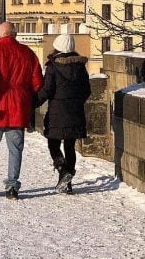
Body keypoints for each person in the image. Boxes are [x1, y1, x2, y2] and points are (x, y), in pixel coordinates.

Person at [0, 21, 43, 200]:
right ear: (15, 34)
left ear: (0, 34)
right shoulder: (27, 53)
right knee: (15, 149)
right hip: (18, 107)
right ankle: (12, 186)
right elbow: (37, 83)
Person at [37, 34, 91, 195]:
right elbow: (86, 90)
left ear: (57, 47)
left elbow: (47, 90)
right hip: (75, 111)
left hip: (57, 112)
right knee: (70, 145)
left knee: (53, 144)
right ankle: (68, 182)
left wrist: (33, 102)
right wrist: (77, 101)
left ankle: (62, 169)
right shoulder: (80, 66)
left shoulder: (53, 66)